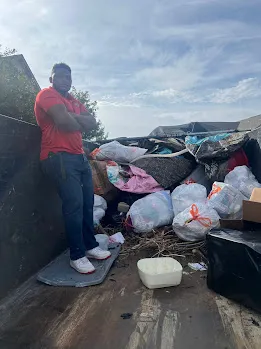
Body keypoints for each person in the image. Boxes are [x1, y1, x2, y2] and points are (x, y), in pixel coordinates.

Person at [34, 63, 111, 274]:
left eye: (68, 76)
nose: (64, 79)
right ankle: (77, 255)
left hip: (79, 158)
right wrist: (75, 119)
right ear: (51, 78)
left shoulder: (73, 101)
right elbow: (64, 123)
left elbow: (92, 123)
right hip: (58, 157)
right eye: (59, 76)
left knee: (87, 203)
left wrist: (71, 116)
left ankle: (90, 245)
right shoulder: (46, 95)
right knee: (74, 205)